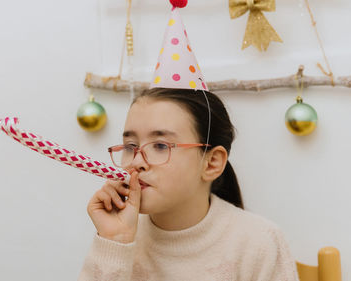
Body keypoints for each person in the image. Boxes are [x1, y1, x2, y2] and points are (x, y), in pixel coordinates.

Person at [77, 87, 300, 281]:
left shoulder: (260, 243)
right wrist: (114, 241)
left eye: (161, 146)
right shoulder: (119, 238)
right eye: (130, 146)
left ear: (211, 162)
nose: (136, 162)